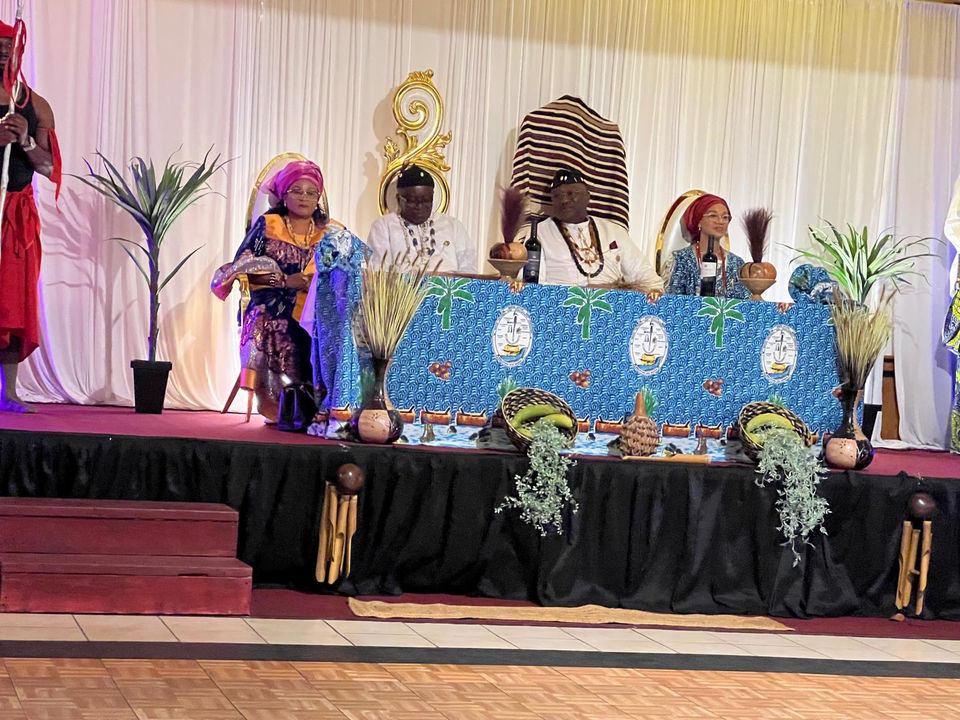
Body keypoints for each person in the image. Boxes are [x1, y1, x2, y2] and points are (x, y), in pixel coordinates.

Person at [212, 160, 348, 422]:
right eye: (297, 191)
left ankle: (324, 403)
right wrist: (285, 282)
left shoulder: (332, 230)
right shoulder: (268, 225)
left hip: (317, 302)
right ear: (284, 195)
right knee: (275, 321)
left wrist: (317, 285)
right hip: (273, 300)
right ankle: (282, 403)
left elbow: (349, 269)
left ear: (318, 197)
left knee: (335, 323)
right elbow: (245, 265)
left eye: (311, 193)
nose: (304, 198)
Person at [0, 20, 60, 413]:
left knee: (11, 302)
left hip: (16, 214)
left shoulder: (35, 104)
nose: (4, 52)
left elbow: (49, 168)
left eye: (10, 45)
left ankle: (10, 393)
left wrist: (23, 140)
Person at [531, 168, 663, 294]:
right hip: (562, 308)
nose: (564, 200)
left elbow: (650, 280)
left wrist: (617, 291)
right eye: (557, 196)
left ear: (588, 196)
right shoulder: (539, 233)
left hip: (612, 308)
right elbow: (532, 285)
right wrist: (582, 292)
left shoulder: (613, 231)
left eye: (572, 193)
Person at [366, 164, 476, 273]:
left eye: (426, 201)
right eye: (413, 201)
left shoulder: (453, 225)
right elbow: (378, 272)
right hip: (402, 290)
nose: (419, 207)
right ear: (399, 199)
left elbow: (469, 270)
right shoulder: (384, 226)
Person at [663, 193, 751, 299]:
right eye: (713, 215)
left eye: (725, 217)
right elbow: (672, 301)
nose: (720, 221)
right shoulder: (681, 259)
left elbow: (745, 304)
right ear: (699, 221)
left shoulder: (736, 263)